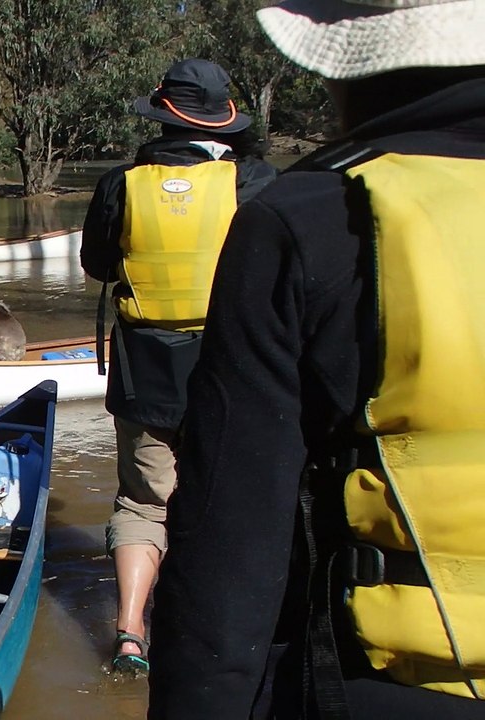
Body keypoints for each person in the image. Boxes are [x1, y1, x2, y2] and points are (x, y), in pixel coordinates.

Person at [150, 0, 485, 717]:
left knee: (138, 498)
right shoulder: (265, 192)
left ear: (351, 68)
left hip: (390, 682)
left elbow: (230, 541)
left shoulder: (311, 215)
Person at [79, 58, 277, 674]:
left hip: (145, 372)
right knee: (227, 499)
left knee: (143, 501)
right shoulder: (257, 182)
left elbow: (99, 267)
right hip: (232, 371)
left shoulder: (120, 184)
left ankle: (131, 631)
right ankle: (212, 633)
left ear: (164, 116)